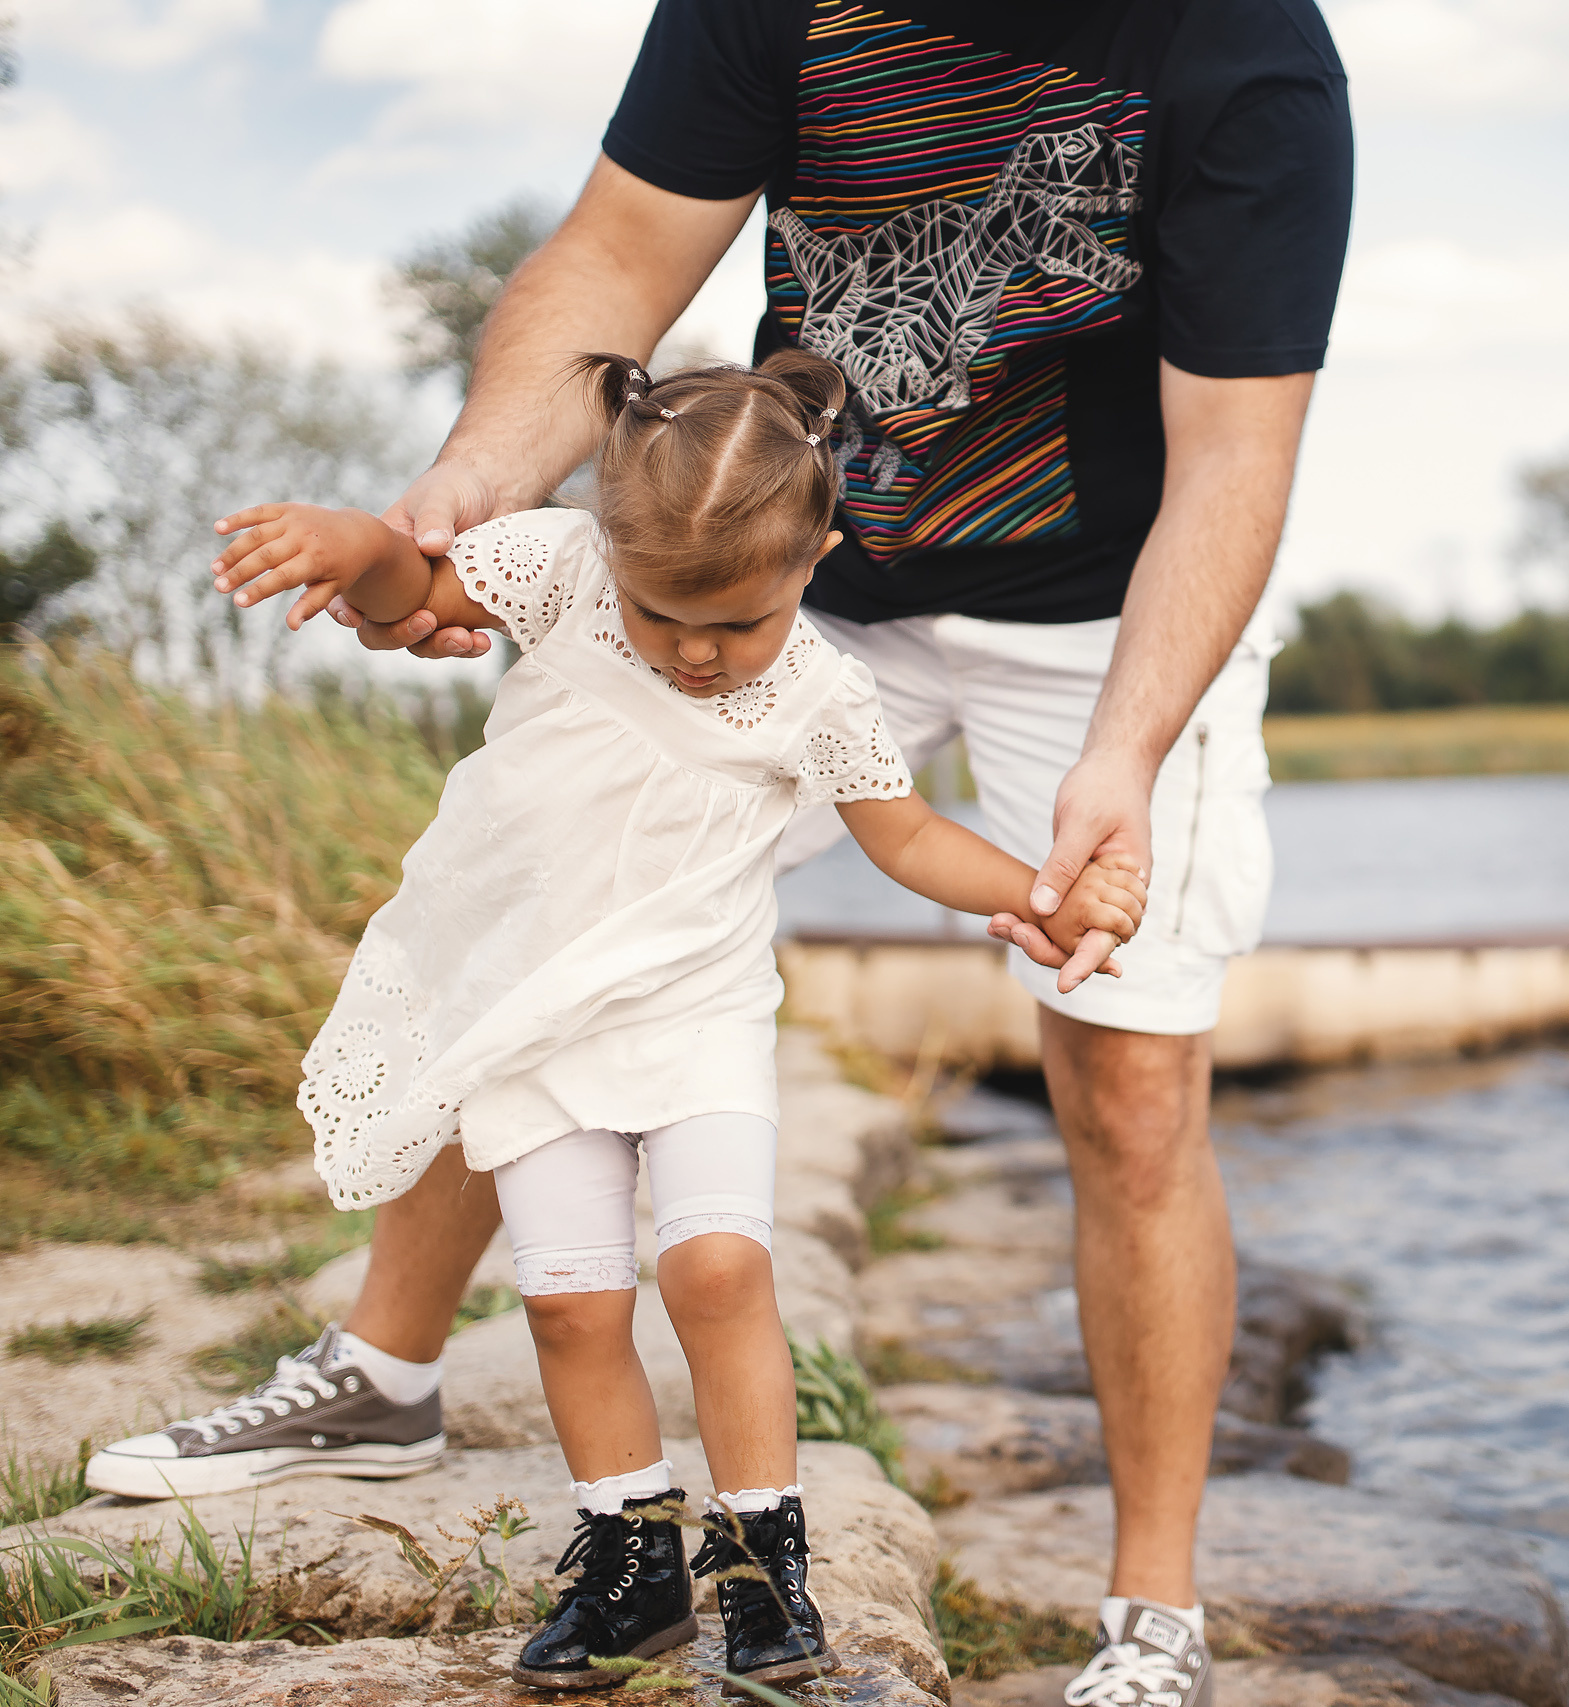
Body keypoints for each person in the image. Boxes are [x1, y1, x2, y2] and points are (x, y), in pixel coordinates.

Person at [89, 5, 1350, 1701]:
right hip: (769, 578)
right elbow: (619, 255)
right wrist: (458, 497)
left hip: (1103, 615)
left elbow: (1236, 458)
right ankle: (382, 1373)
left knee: (1132, 1083)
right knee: (548, 902)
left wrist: (1122, 755)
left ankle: (1152, 1613)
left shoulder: (1244, 54)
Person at [117, 350, 1145, 1694]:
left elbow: (906, 837)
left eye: (739, 622)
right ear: (610, 547)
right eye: (664, 615)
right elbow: (411, 589)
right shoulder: (560, 574)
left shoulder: (821, 690)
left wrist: (1039, 895)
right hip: (537, 1019)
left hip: (697, 1015)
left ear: (816, 557)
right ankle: (630, 1563)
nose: (698, 653)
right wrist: (354, 540)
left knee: (718, 1270)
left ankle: (764, 1566)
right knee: (570, 1305)